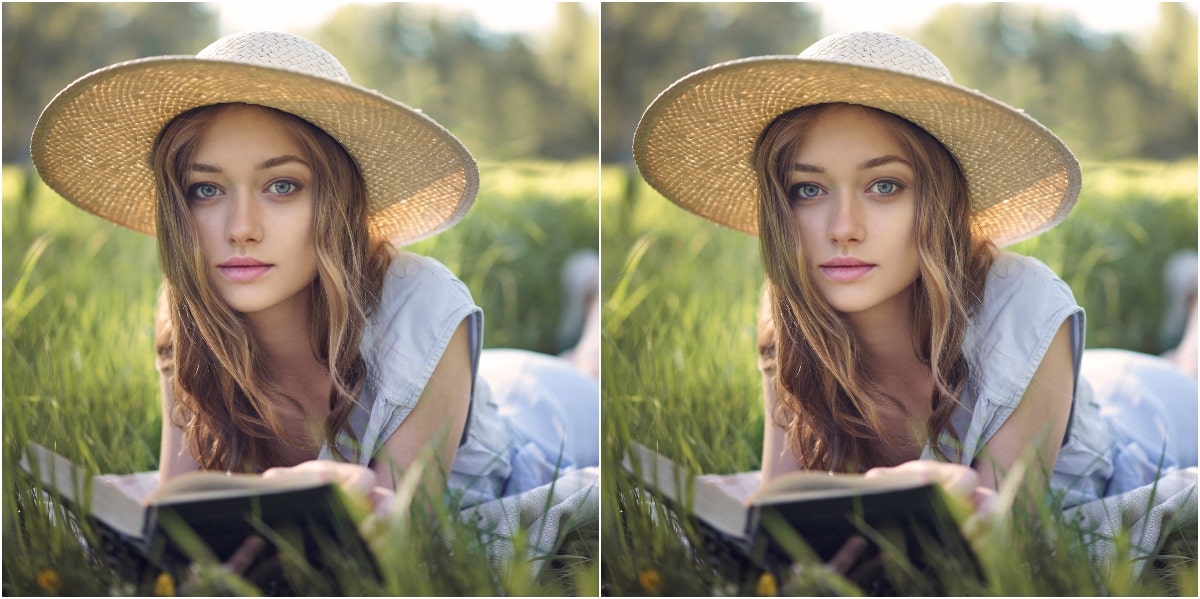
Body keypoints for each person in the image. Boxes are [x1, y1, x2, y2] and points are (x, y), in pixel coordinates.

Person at [632, 30, 1196, 524]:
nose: (843, 229)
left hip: (1150, 412)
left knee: (1187, 369)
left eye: (885, 186)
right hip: (1073, 382)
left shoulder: (1026, 304)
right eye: (809, 189)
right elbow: (779, 502)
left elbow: (1005, 534)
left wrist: (875, 491)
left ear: (941, 200)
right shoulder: (789, 310)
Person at [30, 31, 599, 520]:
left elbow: (404, 529)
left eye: (282, 186)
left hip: (548, 413)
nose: (241, 228)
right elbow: (178, 506)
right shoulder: (187, 311)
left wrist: (273, 490)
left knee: (588, 368)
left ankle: (596, 306)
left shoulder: (423, 302)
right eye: (206, 190)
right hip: (477, 383)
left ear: (339, 200)